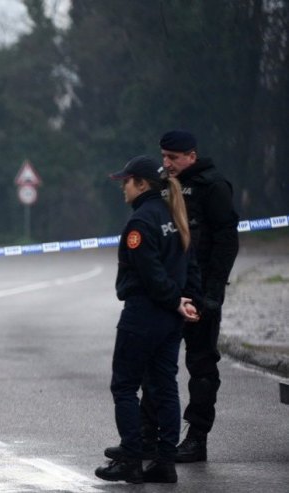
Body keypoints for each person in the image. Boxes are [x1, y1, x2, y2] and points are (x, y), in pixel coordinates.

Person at [95, 155, 201, 484]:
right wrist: (188, 301)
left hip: (144, 313)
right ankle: (164, 462)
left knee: (125, 387)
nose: (122, 188)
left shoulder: (140, 222)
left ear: (141, 184)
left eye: (126, 182)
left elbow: (151, 273)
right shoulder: (174, 215)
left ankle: (130, 459)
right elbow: (189, 265)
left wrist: (173, 299)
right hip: (171, 319)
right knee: (165, 386)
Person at [140, 130, 239, 463]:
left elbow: (227, 241)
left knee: (201, 366)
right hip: (168, 293)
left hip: (199, 293)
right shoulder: (164, 186)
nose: (167, 163)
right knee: (155, 367)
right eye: (163, 156)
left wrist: (212, 294)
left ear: (191, 156)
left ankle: (197, 438)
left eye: (174, 157)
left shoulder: (213, 187)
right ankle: (146, 439)